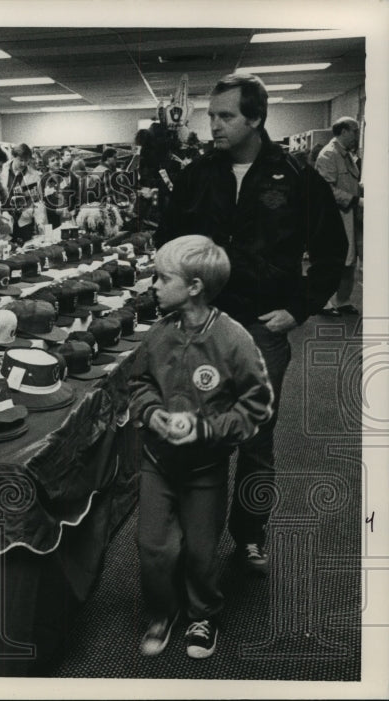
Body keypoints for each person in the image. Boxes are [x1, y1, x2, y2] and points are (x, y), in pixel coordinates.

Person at [155, 73, 346, 574]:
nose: (212, 126)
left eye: (225, 117)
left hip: (264, 327)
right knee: (195, 435)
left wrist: (299, 309)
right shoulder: (198, 175)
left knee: (256, 441)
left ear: (256, 119)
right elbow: (168, 243)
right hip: (201, 326)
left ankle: (249, 538)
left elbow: (332, 251)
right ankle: (191, 540)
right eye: (210, 116)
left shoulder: (296, 174)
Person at [130, 234, 273, 660]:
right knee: (153, 546)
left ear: (194, 286)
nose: (152, 285)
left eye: (161, 277)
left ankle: (203, 614)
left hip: (204, 469)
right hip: (158, 462)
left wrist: (206, 430)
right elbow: (138, 384)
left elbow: (259, 406)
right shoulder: (159, 333)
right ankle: (162, 611)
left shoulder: (233, 340)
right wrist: (152, 413)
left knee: (201, 551)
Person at [314, 117, 363, 316]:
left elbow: (350, 183)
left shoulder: (347, 155)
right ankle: (323, 302)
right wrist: (354, 200)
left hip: (350, 215)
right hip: (335, 217)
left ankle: (343, 300)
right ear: (343, 131)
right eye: (355, 130)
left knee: (349, 261)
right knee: (332, 260)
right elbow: (326, 190)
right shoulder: (328, 155)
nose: (357, 135)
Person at [0, 143, 45, 245]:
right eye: (21, 160)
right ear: (13, 157)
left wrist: (40, 222)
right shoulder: (0, 171)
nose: (24, 164)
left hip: (25, 222)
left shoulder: (35, 176)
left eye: (27, 160)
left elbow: (37, 202)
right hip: (4, 221)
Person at [39, 147, 81, 227]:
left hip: (71, 216)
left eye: (57, 159)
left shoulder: (68, 174)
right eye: (52, 160)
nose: (56, 162)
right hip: (54, 220)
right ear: (47, 165)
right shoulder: (43, 180)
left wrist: (75, 210)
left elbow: (78, 193)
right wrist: (55, 211)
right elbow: (43, 203)